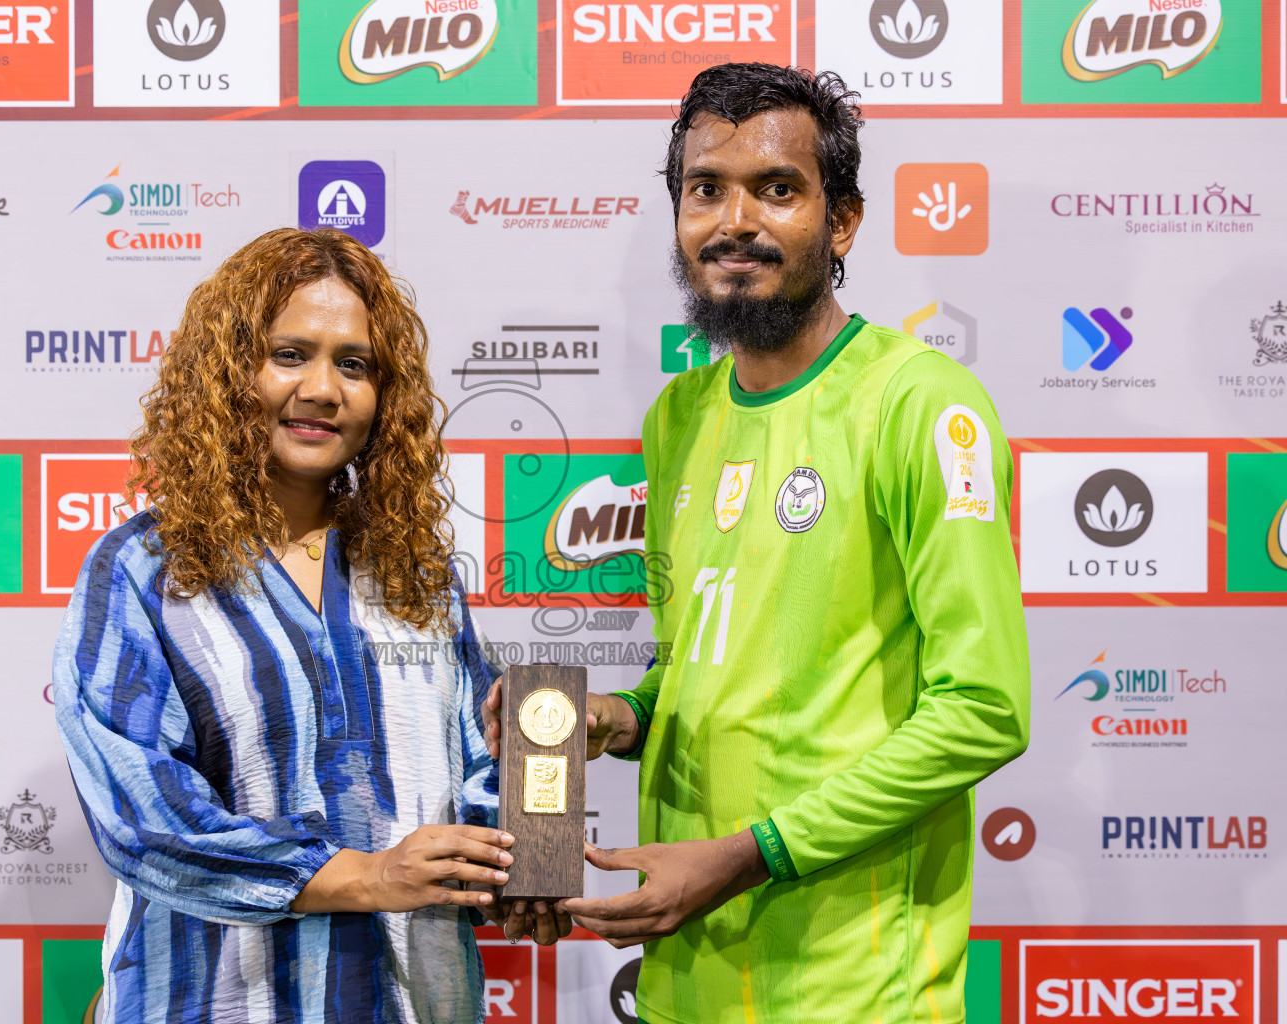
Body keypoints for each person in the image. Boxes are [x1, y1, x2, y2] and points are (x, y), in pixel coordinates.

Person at [484, 64, 1030, 1023]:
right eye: (706, 190)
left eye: (777, 189)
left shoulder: (920, 403)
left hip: (852, 992)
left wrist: (747, 854)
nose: (736, 221)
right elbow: (700, 665)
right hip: (685, 981)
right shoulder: (678, 415)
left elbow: (983, 708)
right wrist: (615, 718)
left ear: (844, 220)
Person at [54, 227, 560, 1024]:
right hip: (214, 1001)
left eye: (353, 365)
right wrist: (362, 876)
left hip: (413, 1000)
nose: (324, 389)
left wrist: (520, 865)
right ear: (228, 375)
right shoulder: (145, 570)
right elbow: (141, 814)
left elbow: (489, 755)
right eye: (290, 355)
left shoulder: (415, 577)